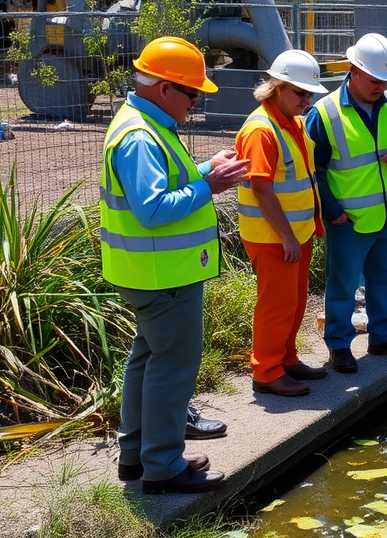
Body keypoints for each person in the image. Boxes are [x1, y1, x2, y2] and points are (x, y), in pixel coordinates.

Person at [99, 36, 248, 494]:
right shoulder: (142, 136)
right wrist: (212, 186)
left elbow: (163, 185)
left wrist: (204, 169)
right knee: (172, 367)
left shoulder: (142, 123)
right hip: (165, 276)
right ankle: (163, 467)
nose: (196, 101)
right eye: (191, 92)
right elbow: (153, 209)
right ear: (164, 88)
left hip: (146, 274)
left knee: (147, 361)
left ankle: (137, 457)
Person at [305, 32, 387, 373]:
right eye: (374, 80)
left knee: (384, 280)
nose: (380, 87)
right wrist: (332, 212)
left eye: (386, 81)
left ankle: (383, 335)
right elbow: (315, 170)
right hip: (348, 220)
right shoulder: (324, 113)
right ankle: (339, 346)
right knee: (342, 286)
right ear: (353, 70)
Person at [236, 49, 329, 397]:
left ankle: (286, 358)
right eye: (300, 92)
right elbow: (261, 188)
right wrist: (288, 236)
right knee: (276, 304)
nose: (307, 100)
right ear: (277, 87)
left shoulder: (292, 121)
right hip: (273, 236)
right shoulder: (262, 130)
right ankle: (267, 371)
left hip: (294, 233)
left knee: (294, 301)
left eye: (309, 93)